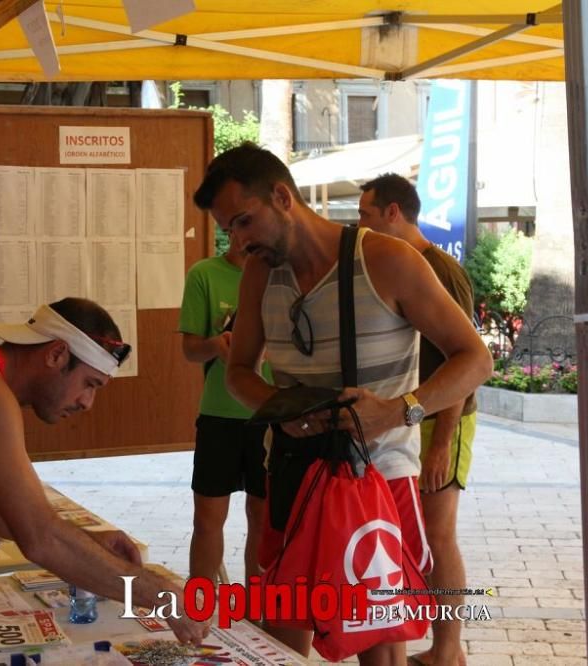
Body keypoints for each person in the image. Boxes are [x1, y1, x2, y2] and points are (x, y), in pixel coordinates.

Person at [193, 143, 491, 663]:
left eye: (244, 222)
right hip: (292, 475)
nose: (238, 243)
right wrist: (284, 408)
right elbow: (239, 372)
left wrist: (402, 410)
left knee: (379, 646)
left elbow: (475, 359)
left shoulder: (385, 260)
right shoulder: (261, 276)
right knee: (282, 639)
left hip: (377, 480)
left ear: (282, 197)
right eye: (229, 230)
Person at [0, 299, 210, 646]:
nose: (87, 403)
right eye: (89, 383)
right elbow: (40, 538)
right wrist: (157, 594)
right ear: (56, 354)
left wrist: (88, 543)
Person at [357, 174, 477, 666]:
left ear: (392, 213)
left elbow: (465, 361)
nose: (360, 226)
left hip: (439, 420)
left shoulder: (438, 270)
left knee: (439, 535)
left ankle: (447, 652)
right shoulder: (395, 266)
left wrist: (441, 442)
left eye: (366, 214)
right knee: (415, 535)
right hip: (409, 418)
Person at [179, 228, 271, 587]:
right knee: (206, 519)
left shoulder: (283, 275)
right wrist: (217, 346)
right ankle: (198, 604)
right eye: (236, 226)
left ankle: (256, 610)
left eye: (251, 225)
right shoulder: (204, 274)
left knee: (262, 519)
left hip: (269, 415)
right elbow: (189, 349)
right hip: (219, 416)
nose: (244, 235)